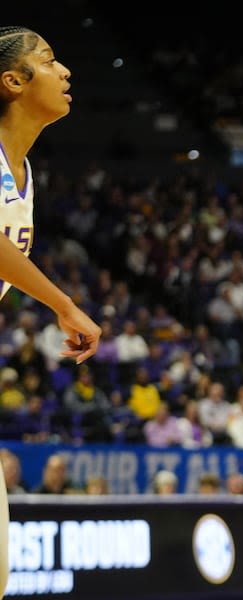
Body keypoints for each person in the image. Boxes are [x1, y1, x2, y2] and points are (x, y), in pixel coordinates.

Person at [0, 25, 102, 595]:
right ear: (13, 81)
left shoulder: (25, 172)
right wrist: (64, 305)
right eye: (49, 61)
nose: (65, 72)